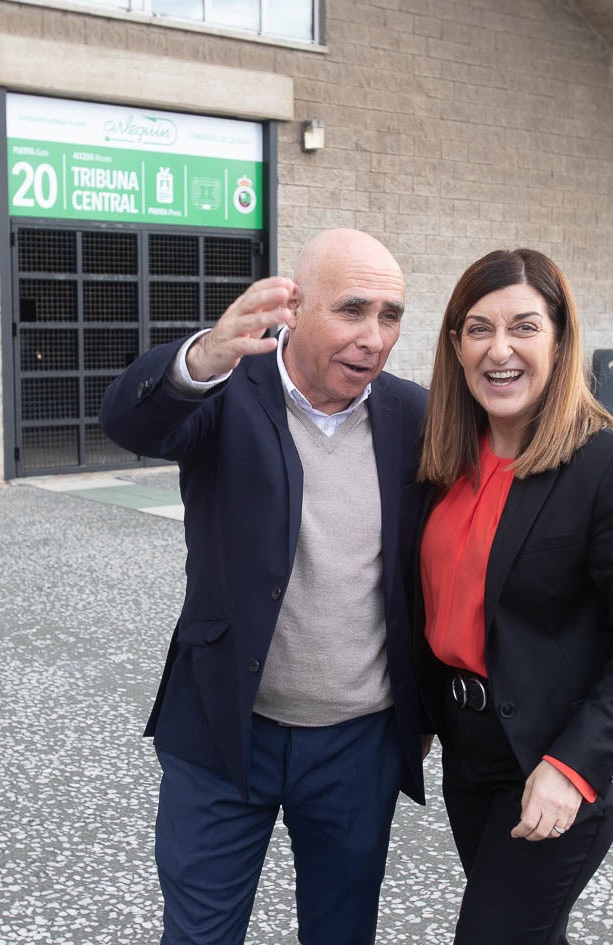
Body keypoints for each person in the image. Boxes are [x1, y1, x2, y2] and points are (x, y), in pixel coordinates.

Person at [99, 229, 431, 945]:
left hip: (356, 743)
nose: (373, 338)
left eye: (391, 315)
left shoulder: (412, 415)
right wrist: (202, 355)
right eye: (351, 310)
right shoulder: (226, 393)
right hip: (223, 731)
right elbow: (127, 418)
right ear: (292, 306)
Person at [416, 248, 613, 945]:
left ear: (560, 340)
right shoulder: (443, 456)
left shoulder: (606, 466)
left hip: (557, 751)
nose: (498, 349)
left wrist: (569, 767)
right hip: (467, 747)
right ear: (454, 344)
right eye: (478, 328)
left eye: (523, 327)